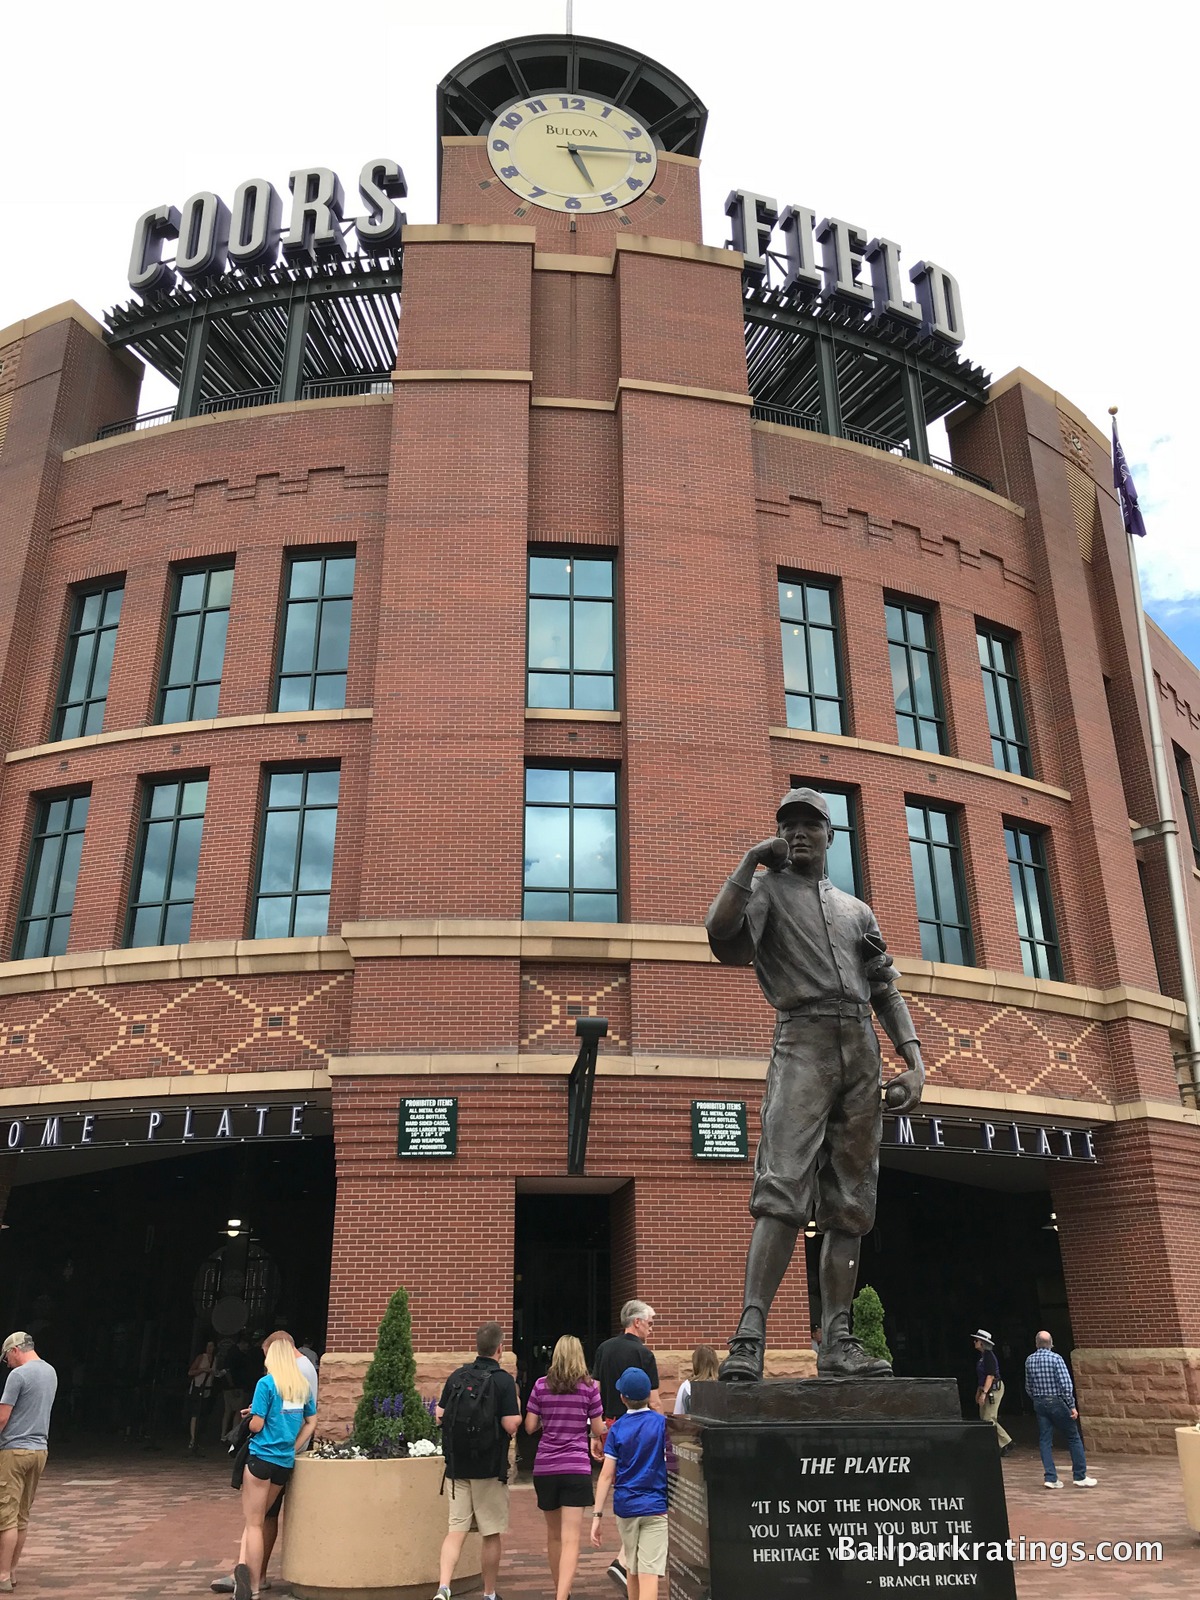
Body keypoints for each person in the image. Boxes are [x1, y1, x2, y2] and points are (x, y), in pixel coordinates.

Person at [706, 787, 925, 1381]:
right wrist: (752, 860)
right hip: (802, 1039)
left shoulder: (856, 909)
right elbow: (720, 936)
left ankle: (837, 1340)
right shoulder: (765, 892)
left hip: (861, 1048)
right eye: (787, 825)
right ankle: (750, 1336)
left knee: (850, 1204)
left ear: (830, 835)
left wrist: (914, 1058)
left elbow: (883, 985)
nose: (797, 833)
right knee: (781, 1189)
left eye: (809, 824)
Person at [211, 1331, 319, 1595]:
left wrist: (252, 1416)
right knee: (263, 1518)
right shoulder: (300, 1386)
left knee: (254, 1523)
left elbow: (258, 1424)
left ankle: (253, 1586)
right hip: (284, 1462)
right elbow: (311, 1422)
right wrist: (292, 1446)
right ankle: (251, 1580)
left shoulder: (267, 1384)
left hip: (261, 1458)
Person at [434, 1321, 521, 1600]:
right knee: (491, 1533)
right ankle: (489, 1593)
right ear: (500, 1348)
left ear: (477, 1346)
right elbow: (510, 1425)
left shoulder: (457, 1376)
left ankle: (443, 1587)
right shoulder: (505, 1381)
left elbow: (439, 1414)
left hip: (457, 1467)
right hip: (489, 1468)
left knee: (455, 1530)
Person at [525, 1335, 604, 1600]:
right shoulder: (589, 1388)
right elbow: (597, 1428)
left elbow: (530, 1426)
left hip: (546, 1467)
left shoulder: (540, 1386)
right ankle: (561, 1596)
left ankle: (563, 1589)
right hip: (576, 1466)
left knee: (554, 1536)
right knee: (571, 1537)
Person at [590, 1368, 668, 1600]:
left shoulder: (617, 1429)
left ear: (623, 1397)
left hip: (626, 1506)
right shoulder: (661, 1424)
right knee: (649, 1574)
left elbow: (605, 1476)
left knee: (632, 1570)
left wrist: (597, 1516)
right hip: (655, 1504)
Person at [0, 1332, 58, 1595]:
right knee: (23, 1514)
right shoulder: (50, 1372)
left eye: (6, 1358)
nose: (7, 1363)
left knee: (6, 1516)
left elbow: (3, 1417)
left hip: (14, 1450)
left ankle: (1, 1575)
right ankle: (12, 1571)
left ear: (15, 1350)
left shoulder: (18, 1376)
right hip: (40, 1450)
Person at [1024, 1331, 1096, 1488]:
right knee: (1073, 1436)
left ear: (1036, 1343)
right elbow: (1066, 1385)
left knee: (1045, 1440)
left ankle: (1050, 1477)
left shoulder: (1029, 1360)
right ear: (1051, 1343)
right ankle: (1080, 1475)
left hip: (1039, 1402)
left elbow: (1028, 1386)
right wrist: (1071, 1406)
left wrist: (1037, 1399)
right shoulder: (1056, 1359)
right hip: (1056, 1401)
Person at [972, 1329, 1013, 1455]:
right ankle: (1000, 1443)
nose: (975, 1342)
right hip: (985, 1388)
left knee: (988, 1418)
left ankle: (1006, 1442)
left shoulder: (989, 1357)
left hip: (993, 1389)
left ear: (983, 1343)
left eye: (977, 1340)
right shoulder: (983, 1356)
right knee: (984, 1418)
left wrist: (984, 1393)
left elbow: (990, 1376)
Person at [220, 1336, 253, 1443]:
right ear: (241, 1343)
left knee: (227, 1411)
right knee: (238, 1412)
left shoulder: (229, 1354)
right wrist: (233, 1385)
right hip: (235, 1387)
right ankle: (233, 1435)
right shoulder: (237, 1356)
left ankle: (223, 1434)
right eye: (246, 1344)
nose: (247, 1346)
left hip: (227, 1387)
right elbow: (229, 1371)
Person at [188, 1339, 218, 1451]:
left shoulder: (215, 1359)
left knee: (203, 1414)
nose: (211, 1349)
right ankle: (192, 1439)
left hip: (208, 1388)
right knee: (195, 1414)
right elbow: (190, 1372)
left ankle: (199, 1439)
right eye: (209, 1346)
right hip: (198, 1387)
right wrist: (203, 1370)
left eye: (212, 1346)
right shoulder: (201, 1357)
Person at [673, 1346, 719, 1416]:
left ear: (696, 1363)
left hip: (692, 1426)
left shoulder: (687, 1386)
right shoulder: (722, 1385)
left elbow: (678, 1415)